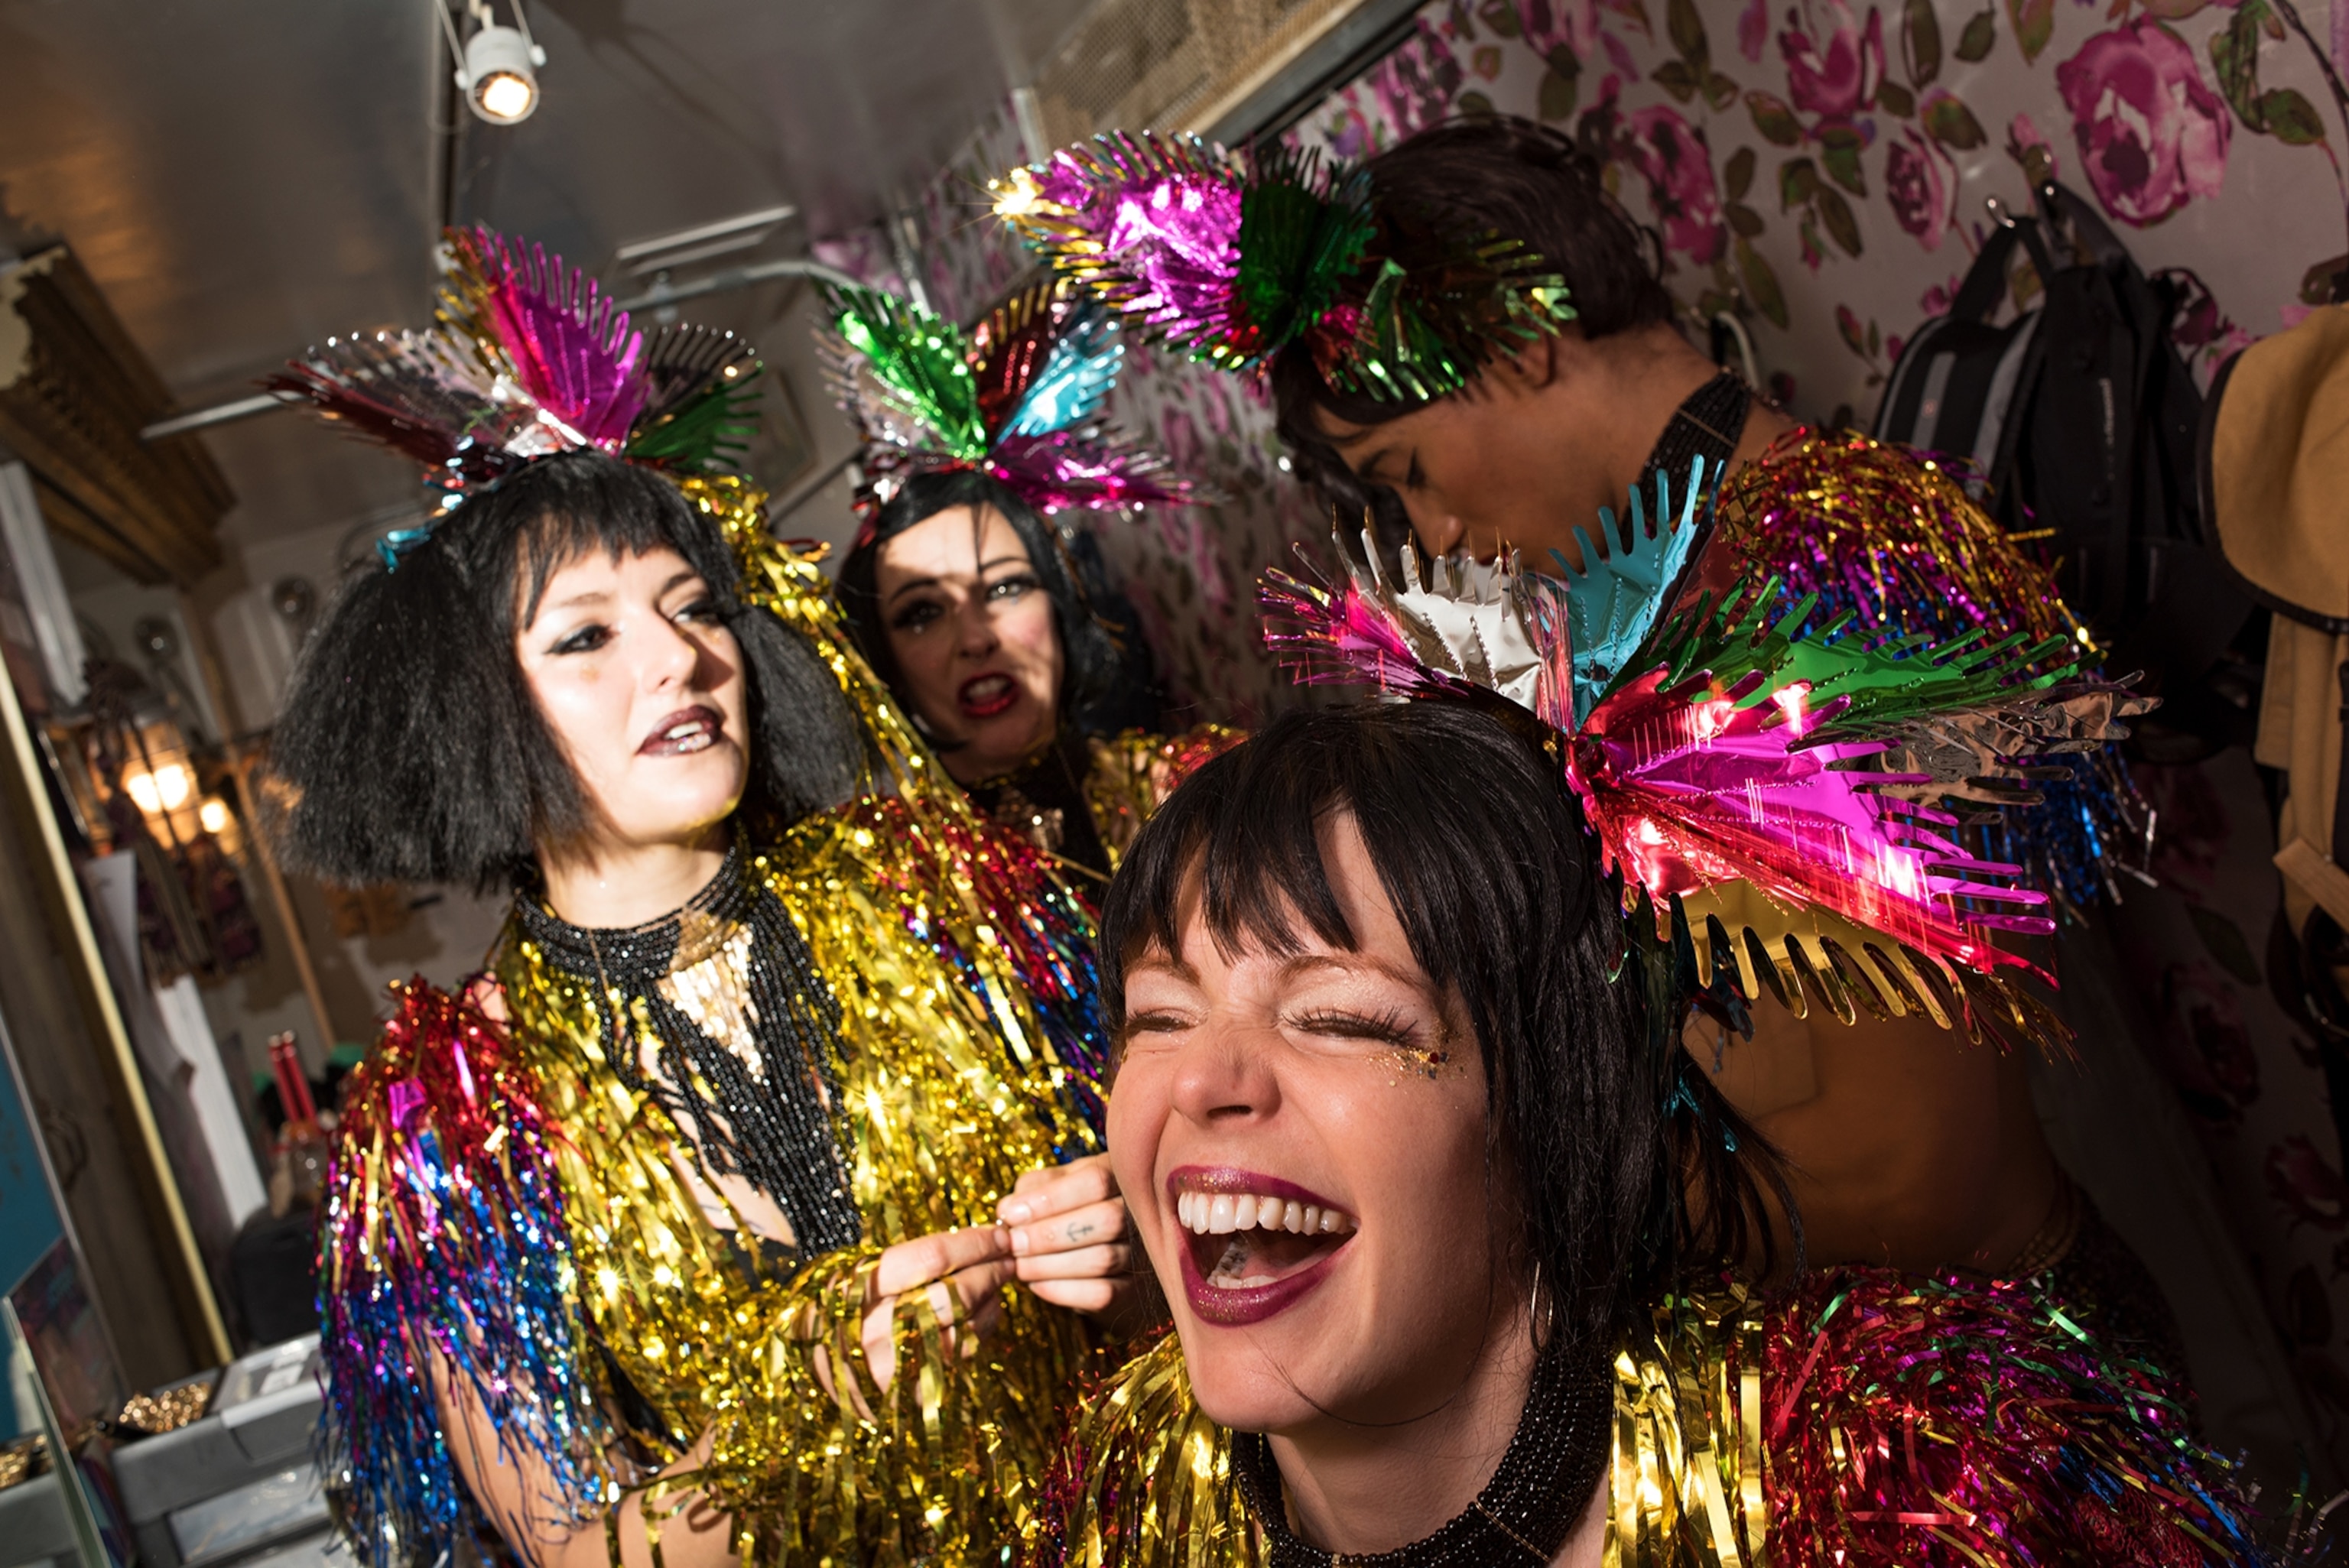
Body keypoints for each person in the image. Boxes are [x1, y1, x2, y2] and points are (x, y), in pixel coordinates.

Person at [993, 122, 2162, 1333]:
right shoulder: (1699, 585)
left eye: (1404, 467)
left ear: (1522, 340)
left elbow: (1921, 1177)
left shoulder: (1818, 593)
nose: (1433, 535)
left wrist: (1472, 1195)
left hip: (2005, 1407)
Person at [268, 229, 1136, 1568]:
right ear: (474, 709)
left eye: (692, 606)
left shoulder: (946, 892)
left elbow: (1185, 1221)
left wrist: (1123, 1244)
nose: (677, 657)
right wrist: (804, 1413)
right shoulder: (450, 1112)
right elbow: (573, 1545)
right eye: (586, 635)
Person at [1029, 700, 2268, 1566]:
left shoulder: (1915, 1485)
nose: (1202, 1082)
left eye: (1343, 1018)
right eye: (1158, 1017)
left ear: (1551, 1106)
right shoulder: (1119, 1491)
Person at [824, 281, 1236, 879]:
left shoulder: (1202, 792)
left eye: (1003, 588)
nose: (976, 637)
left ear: (1061, 598)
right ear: (884, 661)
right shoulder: (888, 883)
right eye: (923, 612)